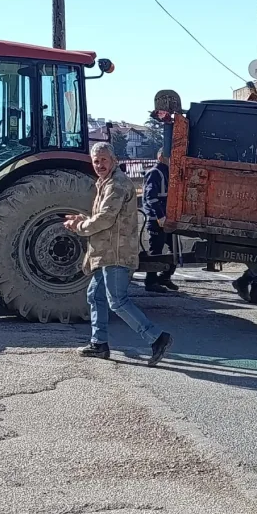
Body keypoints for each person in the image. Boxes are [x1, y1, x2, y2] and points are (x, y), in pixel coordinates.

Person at [64, 142, 173, 365]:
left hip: (116, 253)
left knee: (118, 301)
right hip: (105, 253)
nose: (99, 165)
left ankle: (157, 338)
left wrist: (80, 227)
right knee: (95, 295)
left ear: (113, 160)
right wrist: (82, 221)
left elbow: (105, 218)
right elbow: (106, 218)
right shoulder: (106, 183)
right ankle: (99, 344)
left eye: (104, 160)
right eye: (96, 161)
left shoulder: (117, 184)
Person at [142, 148, 178, 294]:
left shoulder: (167, 172)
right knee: (156, 250)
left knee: (174, 248)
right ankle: (150, 281)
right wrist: (160, 216)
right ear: (161, 157)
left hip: (166, 218)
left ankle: (165, 277)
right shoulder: (155, 172)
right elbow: (151, 198)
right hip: (157, 219)